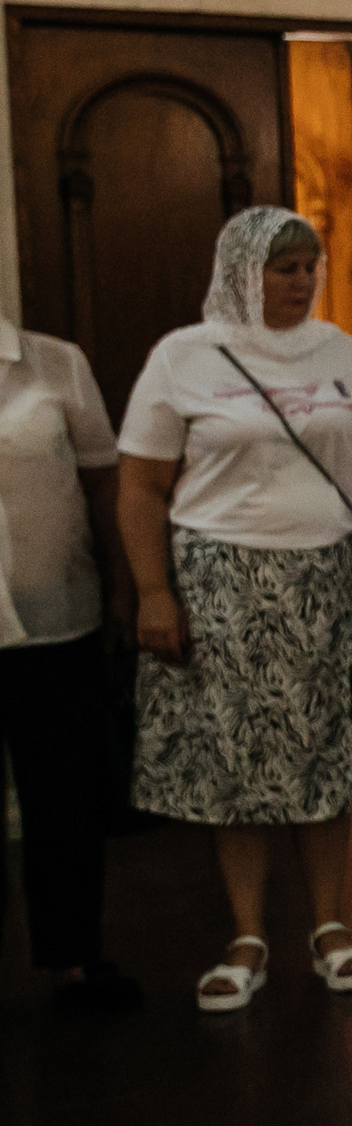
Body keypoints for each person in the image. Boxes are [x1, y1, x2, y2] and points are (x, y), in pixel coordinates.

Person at [118, 206, 352, 1011]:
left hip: (325, 584)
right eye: (286, 268)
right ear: (242, 272)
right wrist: (152, 590)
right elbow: (139, 484)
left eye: (311, 266)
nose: (304, 280)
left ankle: (329, 925)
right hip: (220, 586)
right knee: (233, 762)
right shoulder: (184, 357)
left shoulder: (340, 353)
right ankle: (247, 935)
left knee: (322, 757)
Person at [0, 307, 142, 1011]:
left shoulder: (57, 363)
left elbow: (105, 483)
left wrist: (125, 585)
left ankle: (75, 960)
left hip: (56, 614)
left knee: (65, 799)